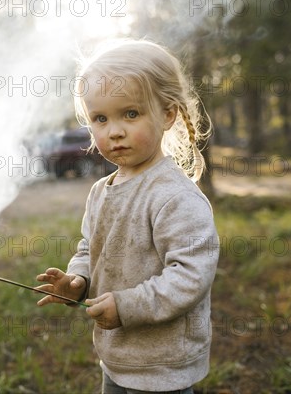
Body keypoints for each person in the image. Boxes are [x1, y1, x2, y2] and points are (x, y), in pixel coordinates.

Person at [36, 39, 219, 394]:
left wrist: (127, 305)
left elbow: (191, 276)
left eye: (130, 114)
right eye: (100, 118)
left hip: (165, 365)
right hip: (118, 357)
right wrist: (77, 281)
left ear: (167, 114)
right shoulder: (101, 191)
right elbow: (91, 248)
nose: (114, 131)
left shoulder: (174, 196)